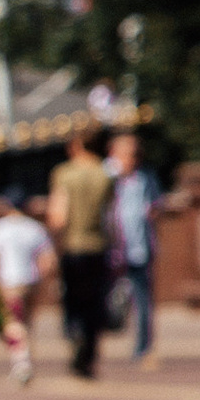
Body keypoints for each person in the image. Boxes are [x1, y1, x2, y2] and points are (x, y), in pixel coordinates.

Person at [48, 122, 113, 378]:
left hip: (73, 248)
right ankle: (90, 351)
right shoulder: (105, 174)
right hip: (99, 246)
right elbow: (111, 217)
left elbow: (58, 217)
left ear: (76, 146)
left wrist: (54, 245)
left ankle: (76, 340)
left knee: (73, 300)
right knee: (95, 301)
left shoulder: (64, 173)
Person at [0, 188, 55, 385]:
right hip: (31, 280)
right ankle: (23, 360)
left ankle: (22, 363)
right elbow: (48, 261)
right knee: (26, 322)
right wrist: (41, 278)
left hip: (9, 281)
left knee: (13, 323)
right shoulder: (35, 228)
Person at [110, 130, 163, 365]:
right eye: (122, 154)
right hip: (113, 250)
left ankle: (143, 347)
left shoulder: (145, 179)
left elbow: (155, 207)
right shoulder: (109, 180)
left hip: (140, 249)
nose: (128, 159)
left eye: (131, 154)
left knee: (143, 301)